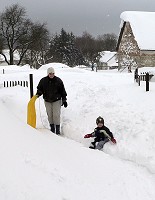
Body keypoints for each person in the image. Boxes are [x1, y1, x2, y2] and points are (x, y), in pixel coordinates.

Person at [36, 67, 67, 135]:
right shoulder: (43, 81)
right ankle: (52, 128)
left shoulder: (58, 81)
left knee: (56, 115)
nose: (51, 75)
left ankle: (57, 129)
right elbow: (40, 88)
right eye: (50, 73)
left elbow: (63, 91)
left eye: (53, 73)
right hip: (47, 100)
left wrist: (64, 100)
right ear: (48, 74)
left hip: (56, 100)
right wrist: (38, 93)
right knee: (50, 115)